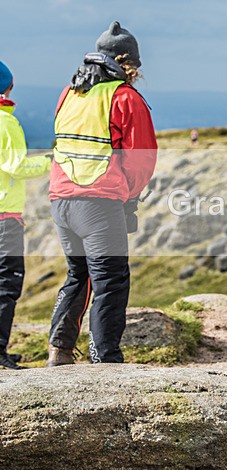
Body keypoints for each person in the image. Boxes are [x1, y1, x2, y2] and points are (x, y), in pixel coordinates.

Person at [47, 21, 157, 366]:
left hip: (61, 200)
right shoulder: (124, 97)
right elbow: (141, 160)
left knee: (78, 273)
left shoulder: (70, 94)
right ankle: (105, 359)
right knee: (110, 280)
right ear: (128, 64)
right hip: (99, 203)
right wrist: (130, 196)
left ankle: (60, 350)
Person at [0, 60, 51, 369]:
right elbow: (16, 166)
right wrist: (51, 162)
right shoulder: (6, 123)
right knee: (6, 284)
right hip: (5, 217)